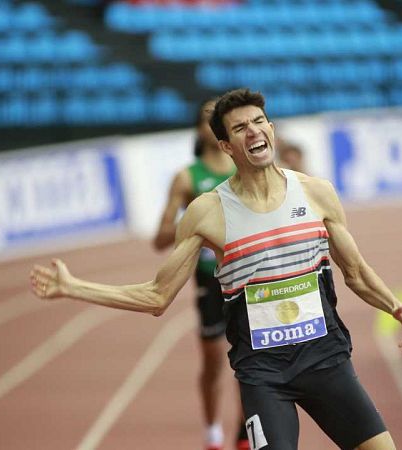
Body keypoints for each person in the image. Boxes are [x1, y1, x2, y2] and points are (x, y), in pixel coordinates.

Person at [30, 88, 402, 450]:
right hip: (264, 376)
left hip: (326, 361)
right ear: (226, 145)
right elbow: (157, 296)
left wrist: (397, 308)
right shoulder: (208, 212)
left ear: (271, 129)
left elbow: (356, 272)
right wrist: (74, 287)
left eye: (258, 122)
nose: (253, 131)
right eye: (239, 128)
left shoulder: (317, 193)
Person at [152, 99, 247, 450]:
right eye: (208, 117)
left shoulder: (246, 167)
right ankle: (212, 432)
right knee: (213, 361)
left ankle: (244, 432)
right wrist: (193, 222)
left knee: (252, 359)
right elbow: (160, 239)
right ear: (198, 129)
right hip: (210, 278)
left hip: (247, 274)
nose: (214, 121)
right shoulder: (187, 177)